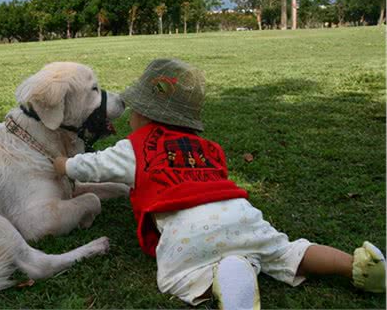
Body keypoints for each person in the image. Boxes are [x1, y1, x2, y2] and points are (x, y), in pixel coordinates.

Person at [53, 58, 385, 309]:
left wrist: (64, 164)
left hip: (188, 227)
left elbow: (93, 166)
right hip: (241, 214)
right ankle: (356, 265)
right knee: (286, 249)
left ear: (145, 115)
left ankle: (232, 274)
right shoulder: (210, 149)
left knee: (191, 273)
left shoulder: (136, 147)